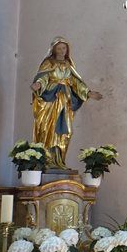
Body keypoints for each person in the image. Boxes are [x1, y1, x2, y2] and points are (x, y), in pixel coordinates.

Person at [31, 38, 102, 168]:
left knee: (65, 132)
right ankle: (47, 161)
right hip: (51, 101)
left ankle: (59, 161)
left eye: (64, 48)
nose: (62, 51)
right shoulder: (48, 63)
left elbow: (76, 83)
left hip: (64, 102)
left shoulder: (69, 65)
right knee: (49, 130)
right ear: (53, 50)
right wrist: (38, 84)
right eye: (59, 48)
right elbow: (44, 77)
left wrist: (88, 93)